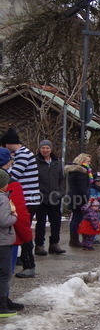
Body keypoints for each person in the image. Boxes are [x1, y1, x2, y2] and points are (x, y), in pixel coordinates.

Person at [1, 129, 39, 279]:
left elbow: (10, 176)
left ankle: (29, 265)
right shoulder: (20, 154)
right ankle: (20, 259)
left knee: (24, 231)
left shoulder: (23, 155)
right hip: (23, 197)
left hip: (27, 200)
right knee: (19, 231)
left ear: (9, 144)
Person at [34, 139, 66, 256]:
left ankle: (54, 244)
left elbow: (62, 180)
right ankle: (39, 245)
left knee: (56, 222)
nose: (45, 150)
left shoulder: (56, 163)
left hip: (54, 197)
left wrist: (61, 193)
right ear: (40, 149)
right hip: (41, 197)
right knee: (41, 223)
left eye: (47, 148)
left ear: (51, 149)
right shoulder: (35, 162)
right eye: (43, 148)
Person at [0, 170, 20, 315]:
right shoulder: (3, 199)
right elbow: (4, 221)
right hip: (2, 240)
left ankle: (4, 300)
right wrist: (14, 216)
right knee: (4, 273)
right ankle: (1, 304)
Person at [65, 154, 92, 248]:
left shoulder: (73, 170)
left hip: (73, 197)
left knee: (75, 218)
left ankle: (73, 239)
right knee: (77, 219)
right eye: (88, 161)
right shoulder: (82, 172)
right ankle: (74, 240)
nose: (89, 164)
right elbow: (82, 188)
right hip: (79, 198)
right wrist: (86, 199)